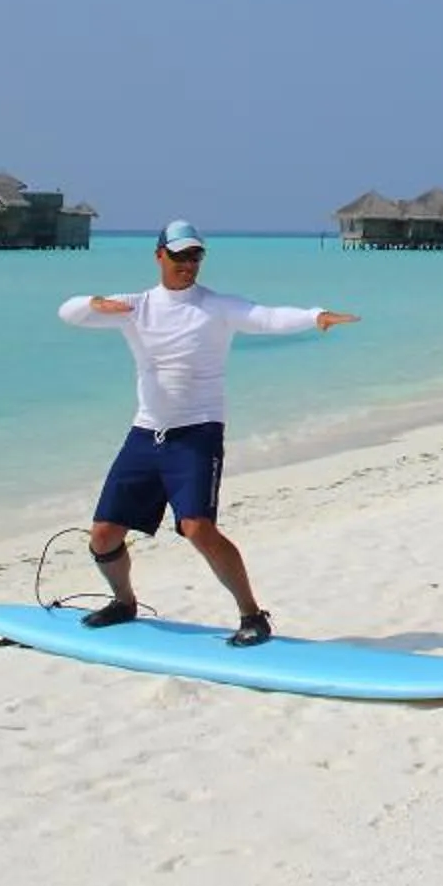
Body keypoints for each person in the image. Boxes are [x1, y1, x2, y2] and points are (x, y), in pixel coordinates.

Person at [57, 220, 358, 645]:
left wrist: (315, 316)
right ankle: (124, 602)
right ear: (160, 255)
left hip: (197, 432)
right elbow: (68, 313)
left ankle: (252, 615)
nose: (188, 264)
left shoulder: (215, 307)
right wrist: (93, 302)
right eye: (179, 255)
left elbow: (266, 317)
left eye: (195, 256)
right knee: (103, 535)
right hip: (145, 433)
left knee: (197, 527)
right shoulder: (136, 306)